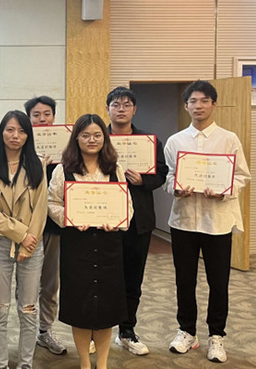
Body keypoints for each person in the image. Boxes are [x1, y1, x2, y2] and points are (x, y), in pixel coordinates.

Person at [164, 80, 251, 364]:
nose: (198, 106)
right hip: (184, 221)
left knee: (218, 281)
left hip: (217, 222)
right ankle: (187, 331)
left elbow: (241, 176)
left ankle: (217, 335)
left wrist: (224, 190)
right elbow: (169, 177)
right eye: (193, 101)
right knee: (184, 280)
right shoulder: (176, 141)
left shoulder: (229, 139)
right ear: (185, 105)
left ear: (214, 104)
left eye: (204, 101)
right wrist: (176, 189)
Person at [47, 114, 134, 369]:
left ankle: (103, 363)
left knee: (106, 308)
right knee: (81, 307)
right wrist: (70, 217)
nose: (91, 140)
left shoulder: (114, 168)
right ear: (76, 138)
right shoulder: (63, 169)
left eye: (97, 135)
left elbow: (127, 205)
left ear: (104, 138)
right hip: (77, 245)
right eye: (85, 135)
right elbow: (52, 203)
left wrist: (117, 221)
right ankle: (85, 362)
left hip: (109, 246)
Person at [0, 111, 47, 369]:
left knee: (28, 308)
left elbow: (41, 208)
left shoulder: (38, 164)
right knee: (0, 308)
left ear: (28, 135)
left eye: (21, 131)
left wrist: (30, 241)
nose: (15, 136)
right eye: (10, 130)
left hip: (32, 243)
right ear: (1, 132)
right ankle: (0, 364)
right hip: (0, 243)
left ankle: (26, 364)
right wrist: (21, 235)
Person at [104, 87, 168, 356]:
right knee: (102, 279)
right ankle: (99, 332)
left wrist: (143, 181)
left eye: (126, 104)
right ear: (107, 109)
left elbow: (162, 173)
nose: (121, 109)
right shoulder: (98, 139)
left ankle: (127, 331)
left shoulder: (148, 141)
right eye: (116, 104)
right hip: (104, 220)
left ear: (134, 110)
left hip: (138, 221)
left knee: (132, 279)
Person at [24, 95, 67, 356]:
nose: (42, 119)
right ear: (28, 119)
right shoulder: (19, 145)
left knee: (50, 283)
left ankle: (45, 330)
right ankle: (26, 332)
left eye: (47, 114)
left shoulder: (67, 149)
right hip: (24, 229)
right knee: (24, 285)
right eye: (36, 115)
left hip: (53, 227)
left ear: (54, 116)